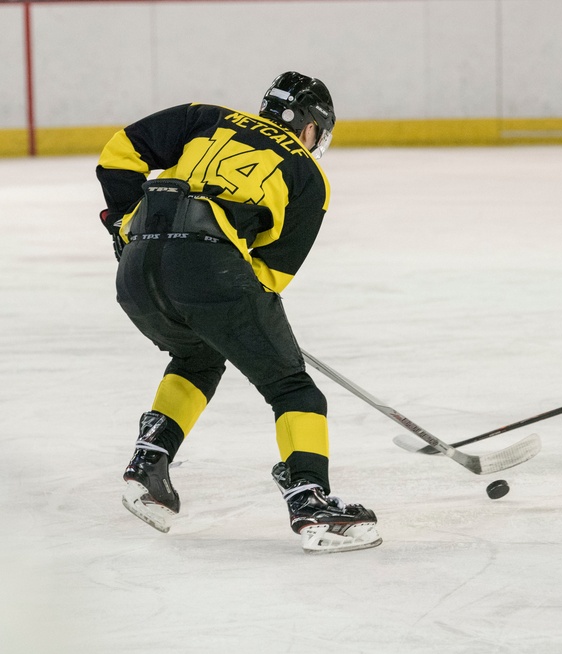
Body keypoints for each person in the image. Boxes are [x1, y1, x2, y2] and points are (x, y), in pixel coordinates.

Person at [96, 71, 381, 552]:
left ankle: (149, 464)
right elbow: (270, 276)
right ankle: (311, 503)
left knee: (198, 357)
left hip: (137, 267)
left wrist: (125, 225)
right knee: (292, 387)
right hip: (209, 271)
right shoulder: (308, 174)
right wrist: (244, 313)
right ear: (310, 125)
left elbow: (118, 153)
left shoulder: (204, 118)